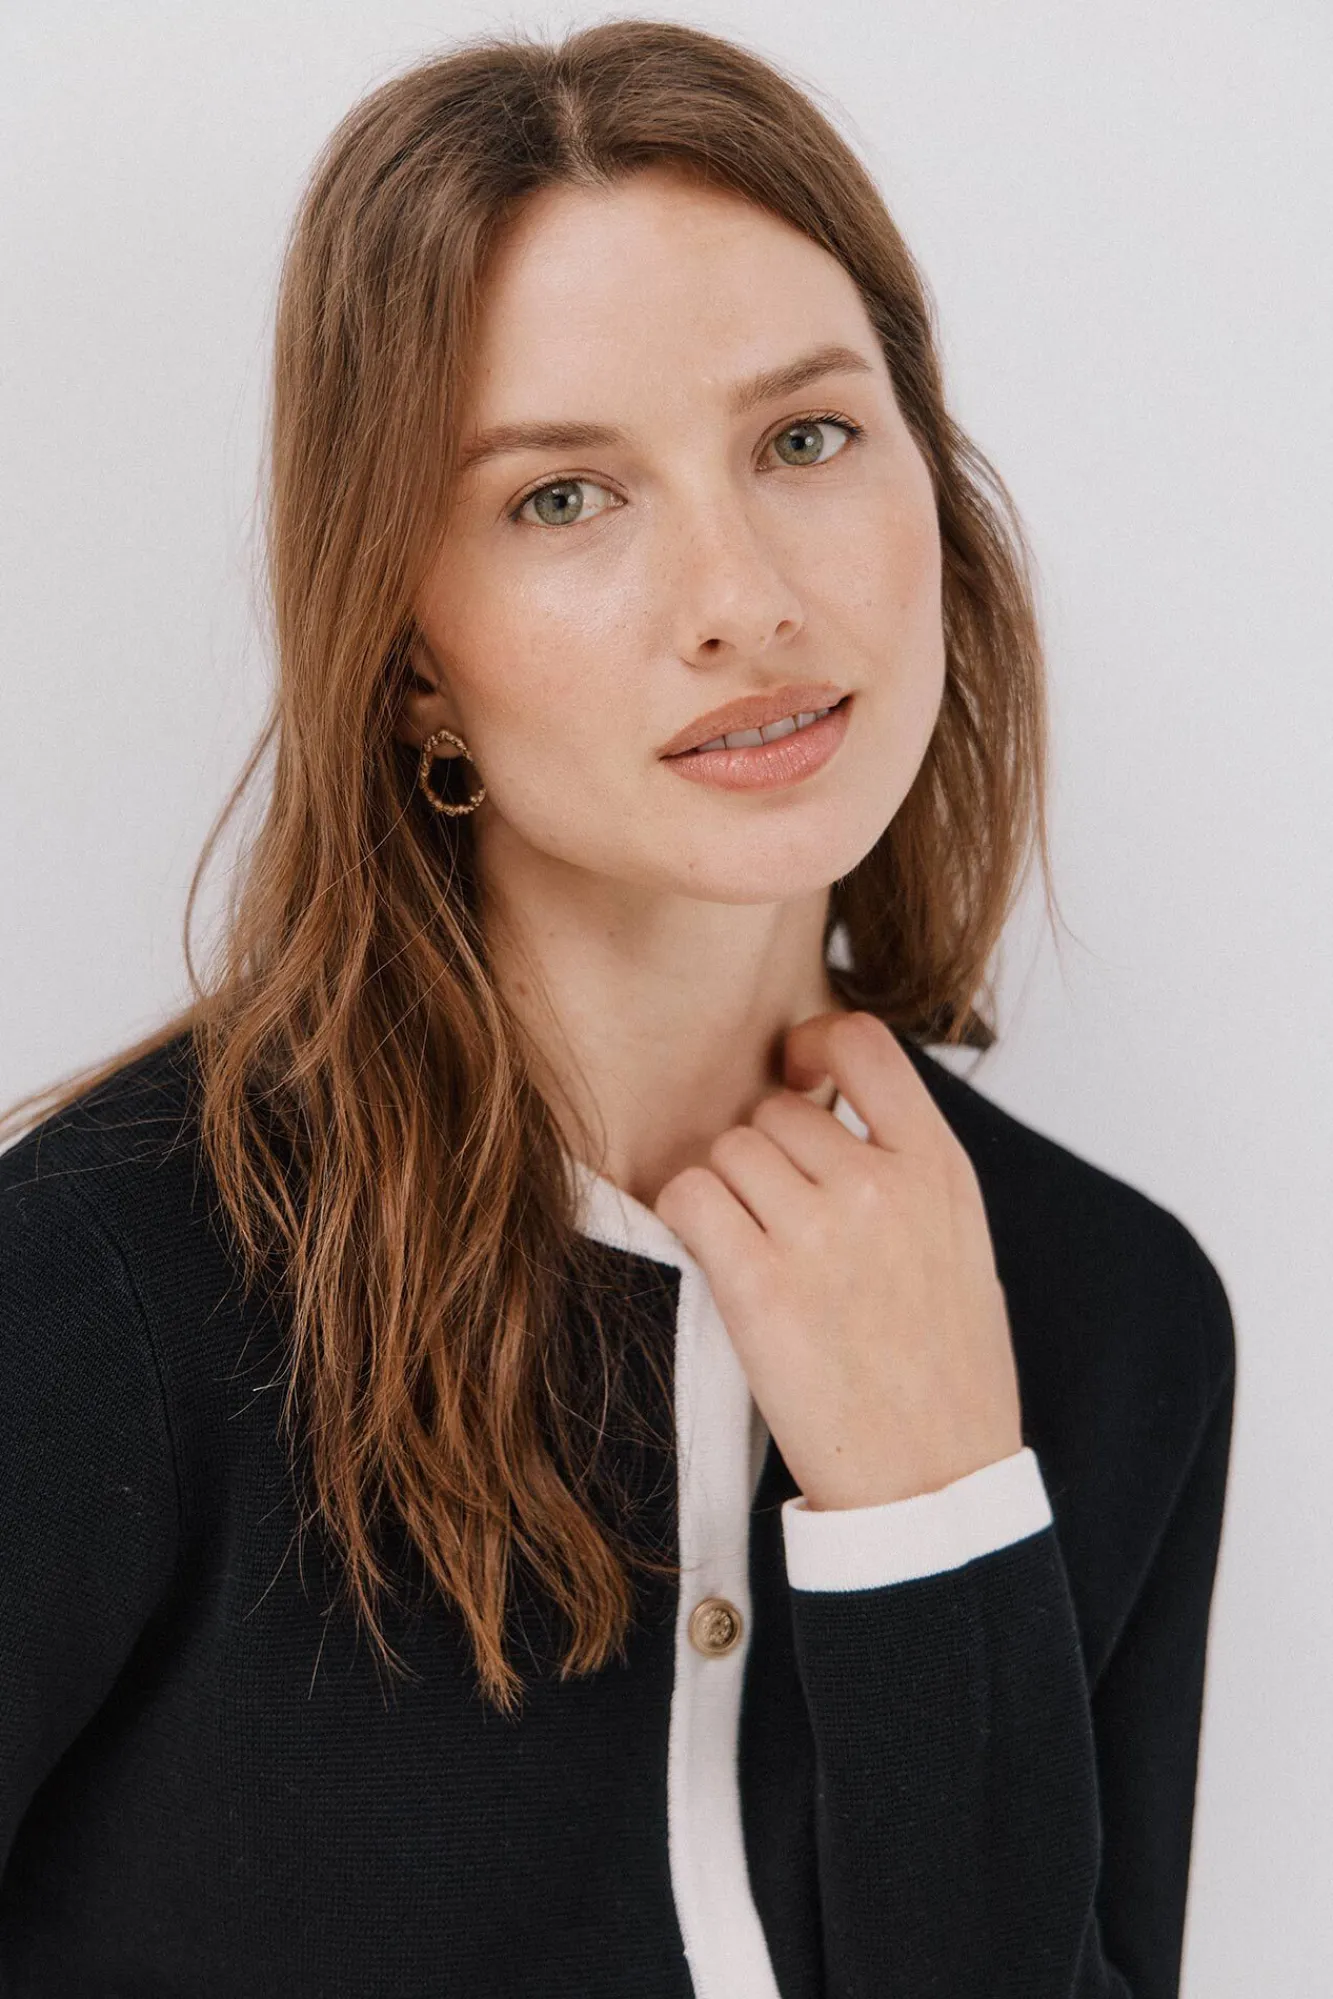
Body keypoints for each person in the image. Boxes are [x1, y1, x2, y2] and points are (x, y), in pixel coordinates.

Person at [0, 19, 1234, 1997]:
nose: (743, 598)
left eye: (806, 440)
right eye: (566, 496)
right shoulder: (103, 1294)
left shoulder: (1112, 1312)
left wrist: (938, 1522)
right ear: (410, 656)